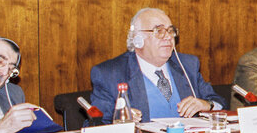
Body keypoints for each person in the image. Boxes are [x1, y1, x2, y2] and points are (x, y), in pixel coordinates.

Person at [90, 8, 225, 123]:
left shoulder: (187, 65)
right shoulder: (109, 74)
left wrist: (206, 105)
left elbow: (219, 102)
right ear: (137, 40)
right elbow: (96, 124)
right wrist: (119, 120)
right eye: (159, 31)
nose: (168, 37)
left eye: (170, 31)